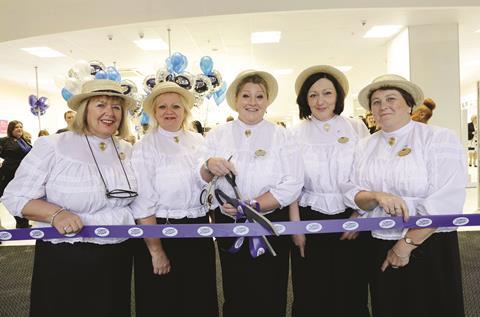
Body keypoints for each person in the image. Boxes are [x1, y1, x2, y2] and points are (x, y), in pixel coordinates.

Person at [1, 79, 138, 316]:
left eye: (116, 107)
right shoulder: (52, 146)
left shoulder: (127, 149)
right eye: (101, 105)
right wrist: (56, 214)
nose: (110, 112)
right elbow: (15, 196)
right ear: (84, 109)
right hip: (67, 252)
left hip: (117, 251)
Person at [343, 74, 466, 317]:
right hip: (379, 240)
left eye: (391, 98)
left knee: (431, 307)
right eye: (376, 102)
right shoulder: (364, 146)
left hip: (428, 244)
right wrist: (374, 198)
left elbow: (446, 198)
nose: (383, 106)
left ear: (409, 104)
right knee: (389, 306)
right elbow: (353, 191)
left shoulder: (438, 138)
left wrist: (405, 245)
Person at [200, 70, 303, 317]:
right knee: (235, 289)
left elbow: (293, 182)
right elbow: (202, 180)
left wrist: (255, 205)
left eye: (259, 96)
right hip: (228, 222)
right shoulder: (217, 135)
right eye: (246, 95)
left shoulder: (281, 135)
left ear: (267, 102)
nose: (252, 102)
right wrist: (208, 166)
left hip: (270, 222)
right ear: (235, 100)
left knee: (272, 288)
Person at [130, 82, 218, 317]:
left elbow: (209, 184)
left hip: (198, 230)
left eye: (176, 106)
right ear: (155, 112)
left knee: (199, 298)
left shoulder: (199, 141)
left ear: (185, 111)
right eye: (162, 107)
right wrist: (156, 250)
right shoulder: (144, 146)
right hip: (160, 230)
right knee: (163, 302)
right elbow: (143, 202)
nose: (169, 111)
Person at [289, 65, 370, 317]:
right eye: (313, 94)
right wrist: (296, 227)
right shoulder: (294, 133)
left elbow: (367, 174)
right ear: (305, 99)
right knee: (310, 288)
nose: (320, 100)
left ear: (338, 96)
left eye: (327, 93)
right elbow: (291, 183)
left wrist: (358, 216)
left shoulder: (356, 128)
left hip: (351, 214)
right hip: (308, 216)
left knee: (351, 286)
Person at [0, 120, 32, 228]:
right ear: (11, 129)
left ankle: (23, 223)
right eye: (16, 127)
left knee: (22, 199)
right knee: (10, 198)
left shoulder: (24, 141)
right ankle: (21, 223)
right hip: (9, 174)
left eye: (21, 127)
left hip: (22, 175)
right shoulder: (5, 140)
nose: (19, 129)